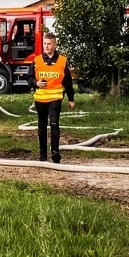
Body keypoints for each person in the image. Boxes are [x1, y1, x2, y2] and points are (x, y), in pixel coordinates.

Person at [31, 30, 75, 163]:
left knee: (54, 124)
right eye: (45, 43)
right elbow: (29, 78)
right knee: (42, 126)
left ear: (55, 45)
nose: (46, 46)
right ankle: (42, 154)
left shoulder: (62, 61)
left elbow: (68, 81)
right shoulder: (37, 60)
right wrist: (36, 83)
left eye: (49, 44)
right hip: (40, 98)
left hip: (55, 97)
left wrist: (71, 98)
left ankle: (55, 152)